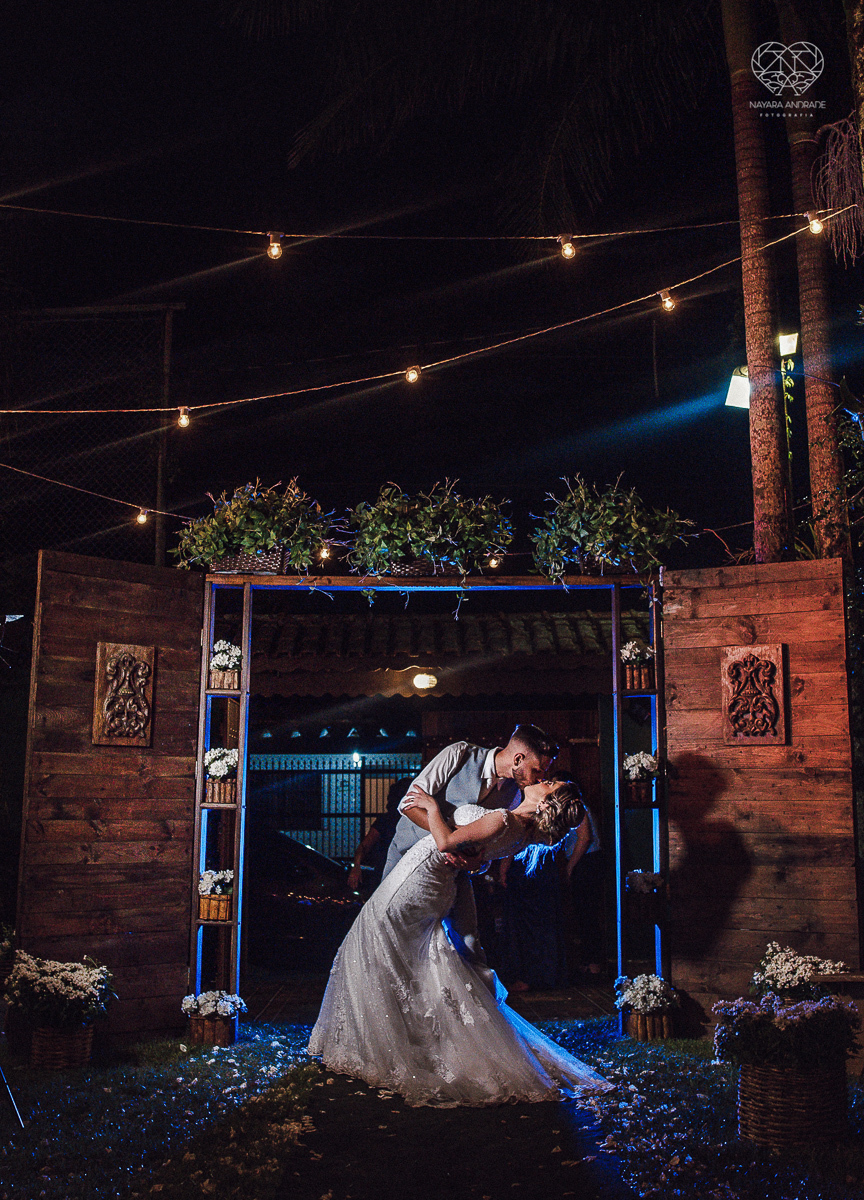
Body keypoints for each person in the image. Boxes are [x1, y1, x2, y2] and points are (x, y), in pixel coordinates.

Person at [307, 780, 613, 1107]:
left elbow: (445, 843)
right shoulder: (522, 832)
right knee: (407, 956)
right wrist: (473, 860)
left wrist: (433, 807)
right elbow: (478, 855)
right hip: (438, 883)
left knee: (377, 939)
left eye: (550, 783)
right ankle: (409, 1038)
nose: (543, 780)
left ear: (546, 801)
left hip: (421, 877)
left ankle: (386, 1043)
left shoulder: (506, 821)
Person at [381, 725, 559, 975]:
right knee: (392, 933)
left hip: (453, 874)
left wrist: (477, 864)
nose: (538, 778)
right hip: (408, 857)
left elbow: (487, 845)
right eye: (537, 770)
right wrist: (448, 839)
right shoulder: (459, 754)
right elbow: (408, 805)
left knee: (468, 945)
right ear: (518, 759)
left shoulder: (515, 796)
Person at [346, 778, 411, 894]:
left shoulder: (388, 820)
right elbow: (365, 846)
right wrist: (356, 866)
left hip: (398, 874)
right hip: (388, 873)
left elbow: (364, 846)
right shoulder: (387, 820)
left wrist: (356, 866)